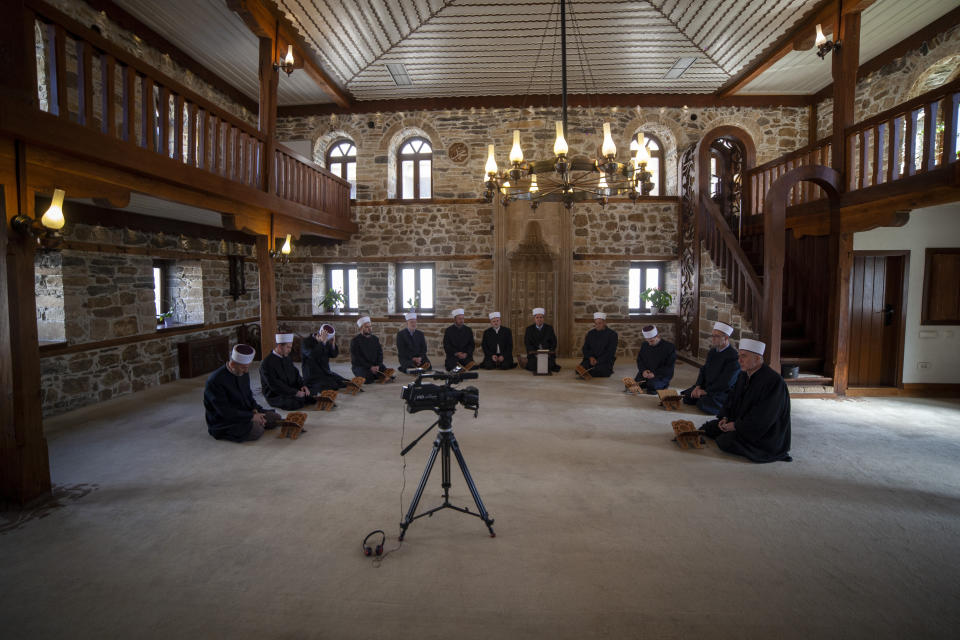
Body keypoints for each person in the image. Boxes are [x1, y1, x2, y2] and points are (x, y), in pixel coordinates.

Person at [700, 339, 792, 463]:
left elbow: (764, 417)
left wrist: (736, 426)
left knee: (725, 441)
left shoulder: (774, 382)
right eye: (739, 356)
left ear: (757, 359)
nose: (739, 360)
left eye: (744, 356)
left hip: (763, 434)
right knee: (708, 428)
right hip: (740, 422)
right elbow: (731, 399)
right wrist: (725, 418)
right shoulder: (743, 375)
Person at [203, 344, 279, 442]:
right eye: (243, 367)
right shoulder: (215, 380)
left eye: (248, 367)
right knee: (256, 430)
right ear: (233, 363)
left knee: (275, 418)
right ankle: (255, 425)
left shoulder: (242, 372)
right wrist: (251, 417)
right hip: (226, 420)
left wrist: (256, 411)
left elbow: (248, 396)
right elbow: (224, 411)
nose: (246, 371)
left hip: (245, 412)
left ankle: (257, 422)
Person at [681, 321, 740, 414]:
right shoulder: (712, 351)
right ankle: (701, 396)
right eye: (712, 335)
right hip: (707, 385)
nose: (713, 339)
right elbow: (703, 370)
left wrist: (706, 392)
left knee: (704, 403)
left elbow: (726, 383)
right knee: (687, 397)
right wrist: (698, 386)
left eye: (716, 336)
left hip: (722, 391)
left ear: (726, 338)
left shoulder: (734, 357)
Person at [259, 332, 314, 409]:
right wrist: (295, 392)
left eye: (290, 347)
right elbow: (275, 385)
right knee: (294, 403)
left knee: (309, 391)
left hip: (289, 388)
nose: (290, 350)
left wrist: (302, 385)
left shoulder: (286, 357)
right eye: (288, 347)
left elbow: (295, 373)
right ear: (279, 346)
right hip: (276, 394)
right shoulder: (266, 363)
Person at [301, 324, 348, 393]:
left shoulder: (326, 341)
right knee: (331, 385)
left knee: (340, 381)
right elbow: (312, 355)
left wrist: (332, 344)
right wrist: (322, 343)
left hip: (324, 371)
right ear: (320, 334)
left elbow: (333, 355)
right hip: (312, 374)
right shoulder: (306, 342)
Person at [634, 325, 676, 394]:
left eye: (651, 341)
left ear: (657, 336)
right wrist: (643, 370)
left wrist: (654, 374)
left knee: (652, 387)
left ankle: (664, 384)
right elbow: (639, 360)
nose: (649, 344)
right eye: (648, 341)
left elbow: (669, 366)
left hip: (661, 374)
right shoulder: (645, 345)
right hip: (646, 373)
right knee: (633, 384)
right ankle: (647, 382)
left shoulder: (669, 347)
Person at [578, 312, 618, 377]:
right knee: (580, 369)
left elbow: (610, 352)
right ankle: (589, 371)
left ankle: (591, 372)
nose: (597, 326)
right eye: (596, 324)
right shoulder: (590, 333)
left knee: (601, 371)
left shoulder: (612, 334)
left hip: (604, 360)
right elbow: (585, 348)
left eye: (600, 323)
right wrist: (590, 357)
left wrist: (598, 361)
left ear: (604, 323)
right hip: (590, 359)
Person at [350, 316, 389, 383]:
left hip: (375, 365)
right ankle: (375, 375)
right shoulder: (355, 341)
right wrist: (370, 367)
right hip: (361, 366)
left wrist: (378, 365)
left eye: (370, 326)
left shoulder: (375, 339)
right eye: (366, 327)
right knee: (367, 379)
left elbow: (380, 354)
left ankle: (377, 374)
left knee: (387, 373)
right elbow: (357, 359)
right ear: (360, 328)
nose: (369, 329)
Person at [523, 307, 560, 373]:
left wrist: (549, 352)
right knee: (533, 366)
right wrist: (535, 353)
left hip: (547, 354)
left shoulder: (549, 328)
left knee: (550, 366)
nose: (539, 319)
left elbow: (554, 342)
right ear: (534, 319)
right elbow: (527, 343)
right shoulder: (529, 329)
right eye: (537, 317)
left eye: (541, 317)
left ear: (543, 318)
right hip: (534, 354)